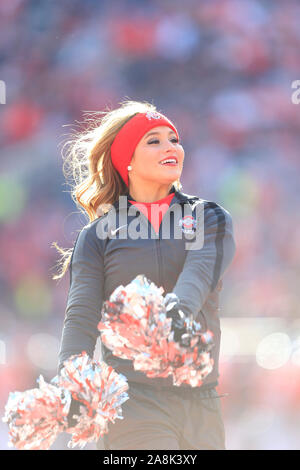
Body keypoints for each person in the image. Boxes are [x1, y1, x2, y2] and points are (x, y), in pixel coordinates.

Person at [54, 99, 236, 450]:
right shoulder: (98, 235)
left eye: (174, 139)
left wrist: (176, 314)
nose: (170, 147)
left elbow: (200, 274)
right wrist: (72, 379)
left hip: (202, 403)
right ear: (128, 161)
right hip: (132, 404)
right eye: (153, 141)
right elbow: (80, 319)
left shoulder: (208, 217)